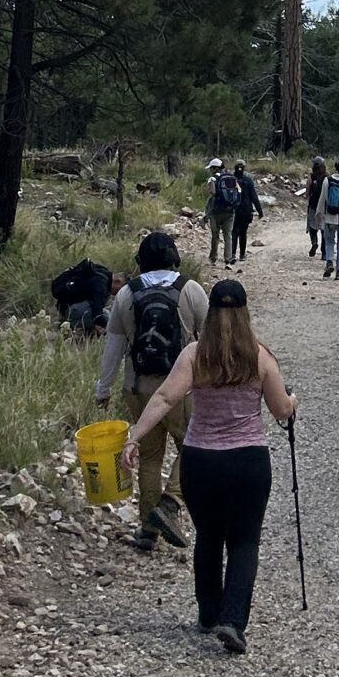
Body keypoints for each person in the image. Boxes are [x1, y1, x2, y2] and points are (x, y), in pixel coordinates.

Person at [124, 276, 296, 653]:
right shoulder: (259, 355)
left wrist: (135, 436)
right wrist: (294, 401)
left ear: (211, 314)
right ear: (245, 313)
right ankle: (233, 621)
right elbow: (281, 410)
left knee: (209, 537)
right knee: (245, 540)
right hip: (248, 461)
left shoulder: (194, 354)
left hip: (200, 461)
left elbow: (166, 396)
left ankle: (207, 613)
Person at [95, 232, 210, 551]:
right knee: (193, 447)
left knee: (149, 456)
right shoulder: (191, 290)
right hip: (181, 390)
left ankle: (148, 530)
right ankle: (171, 503)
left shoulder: (126, 296)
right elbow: (212, 339)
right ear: (175, 259)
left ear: (140, 262)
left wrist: (102, 389)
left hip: (138, 388)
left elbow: (114, 347)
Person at [205, 158, 243, 265]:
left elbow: (212, 192)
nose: (210, 170)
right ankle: (228, 257)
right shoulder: (231, 177)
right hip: (230, 211)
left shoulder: (212, 179)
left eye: (211, 168)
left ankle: (213, 257)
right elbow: (239, 191)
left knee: (215, 235)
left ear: (214, 168)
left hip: (216, 211)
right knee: (228, 235)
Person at [230, 159, 261, 263]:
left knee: (234, 232)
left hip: (234, 210)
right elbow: (254, 196)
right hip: (246, 210)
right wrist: (260, 211)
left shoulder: (230, 179)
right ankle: (242, 255)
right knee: (243, 233)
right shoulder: (248, 180)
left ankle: (232, 254)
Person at [304, 153, 328, 261]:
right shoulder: (327, 177)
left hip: (313, 206)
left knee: (312, 227)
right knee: (324, 229)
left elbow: (307, 191)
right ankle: (324, 253)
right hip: (324, 207)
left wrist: (308, 195)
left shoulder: (311, 176)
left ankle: (314, 242)